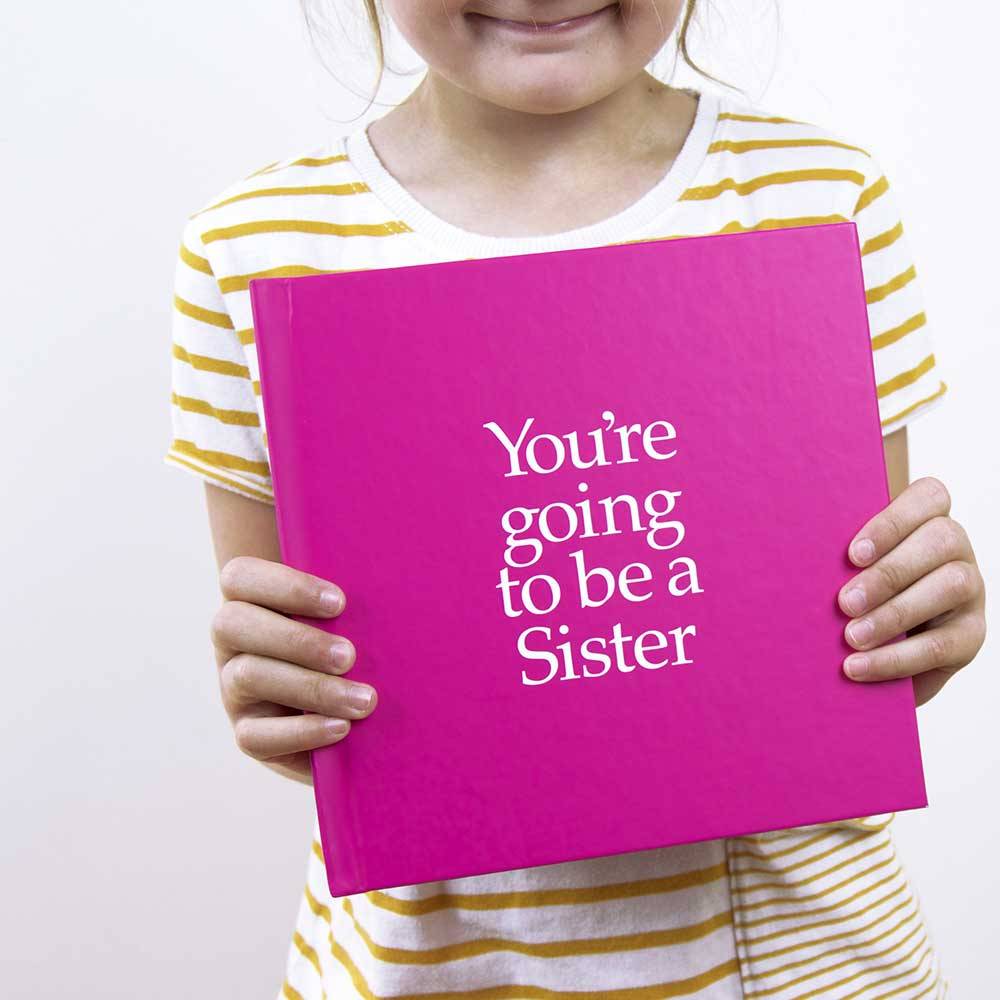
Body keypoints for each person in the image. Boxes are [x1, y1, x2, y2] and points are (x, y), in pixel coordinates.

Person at [164, 1, 987, 996]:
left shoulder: (820, 196)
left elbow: (867, 618)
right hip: (430, 963)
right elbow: (290, 663)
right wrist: (291, 707)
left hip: (800, 958)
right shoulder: (249, 251)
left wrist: (921, 623)